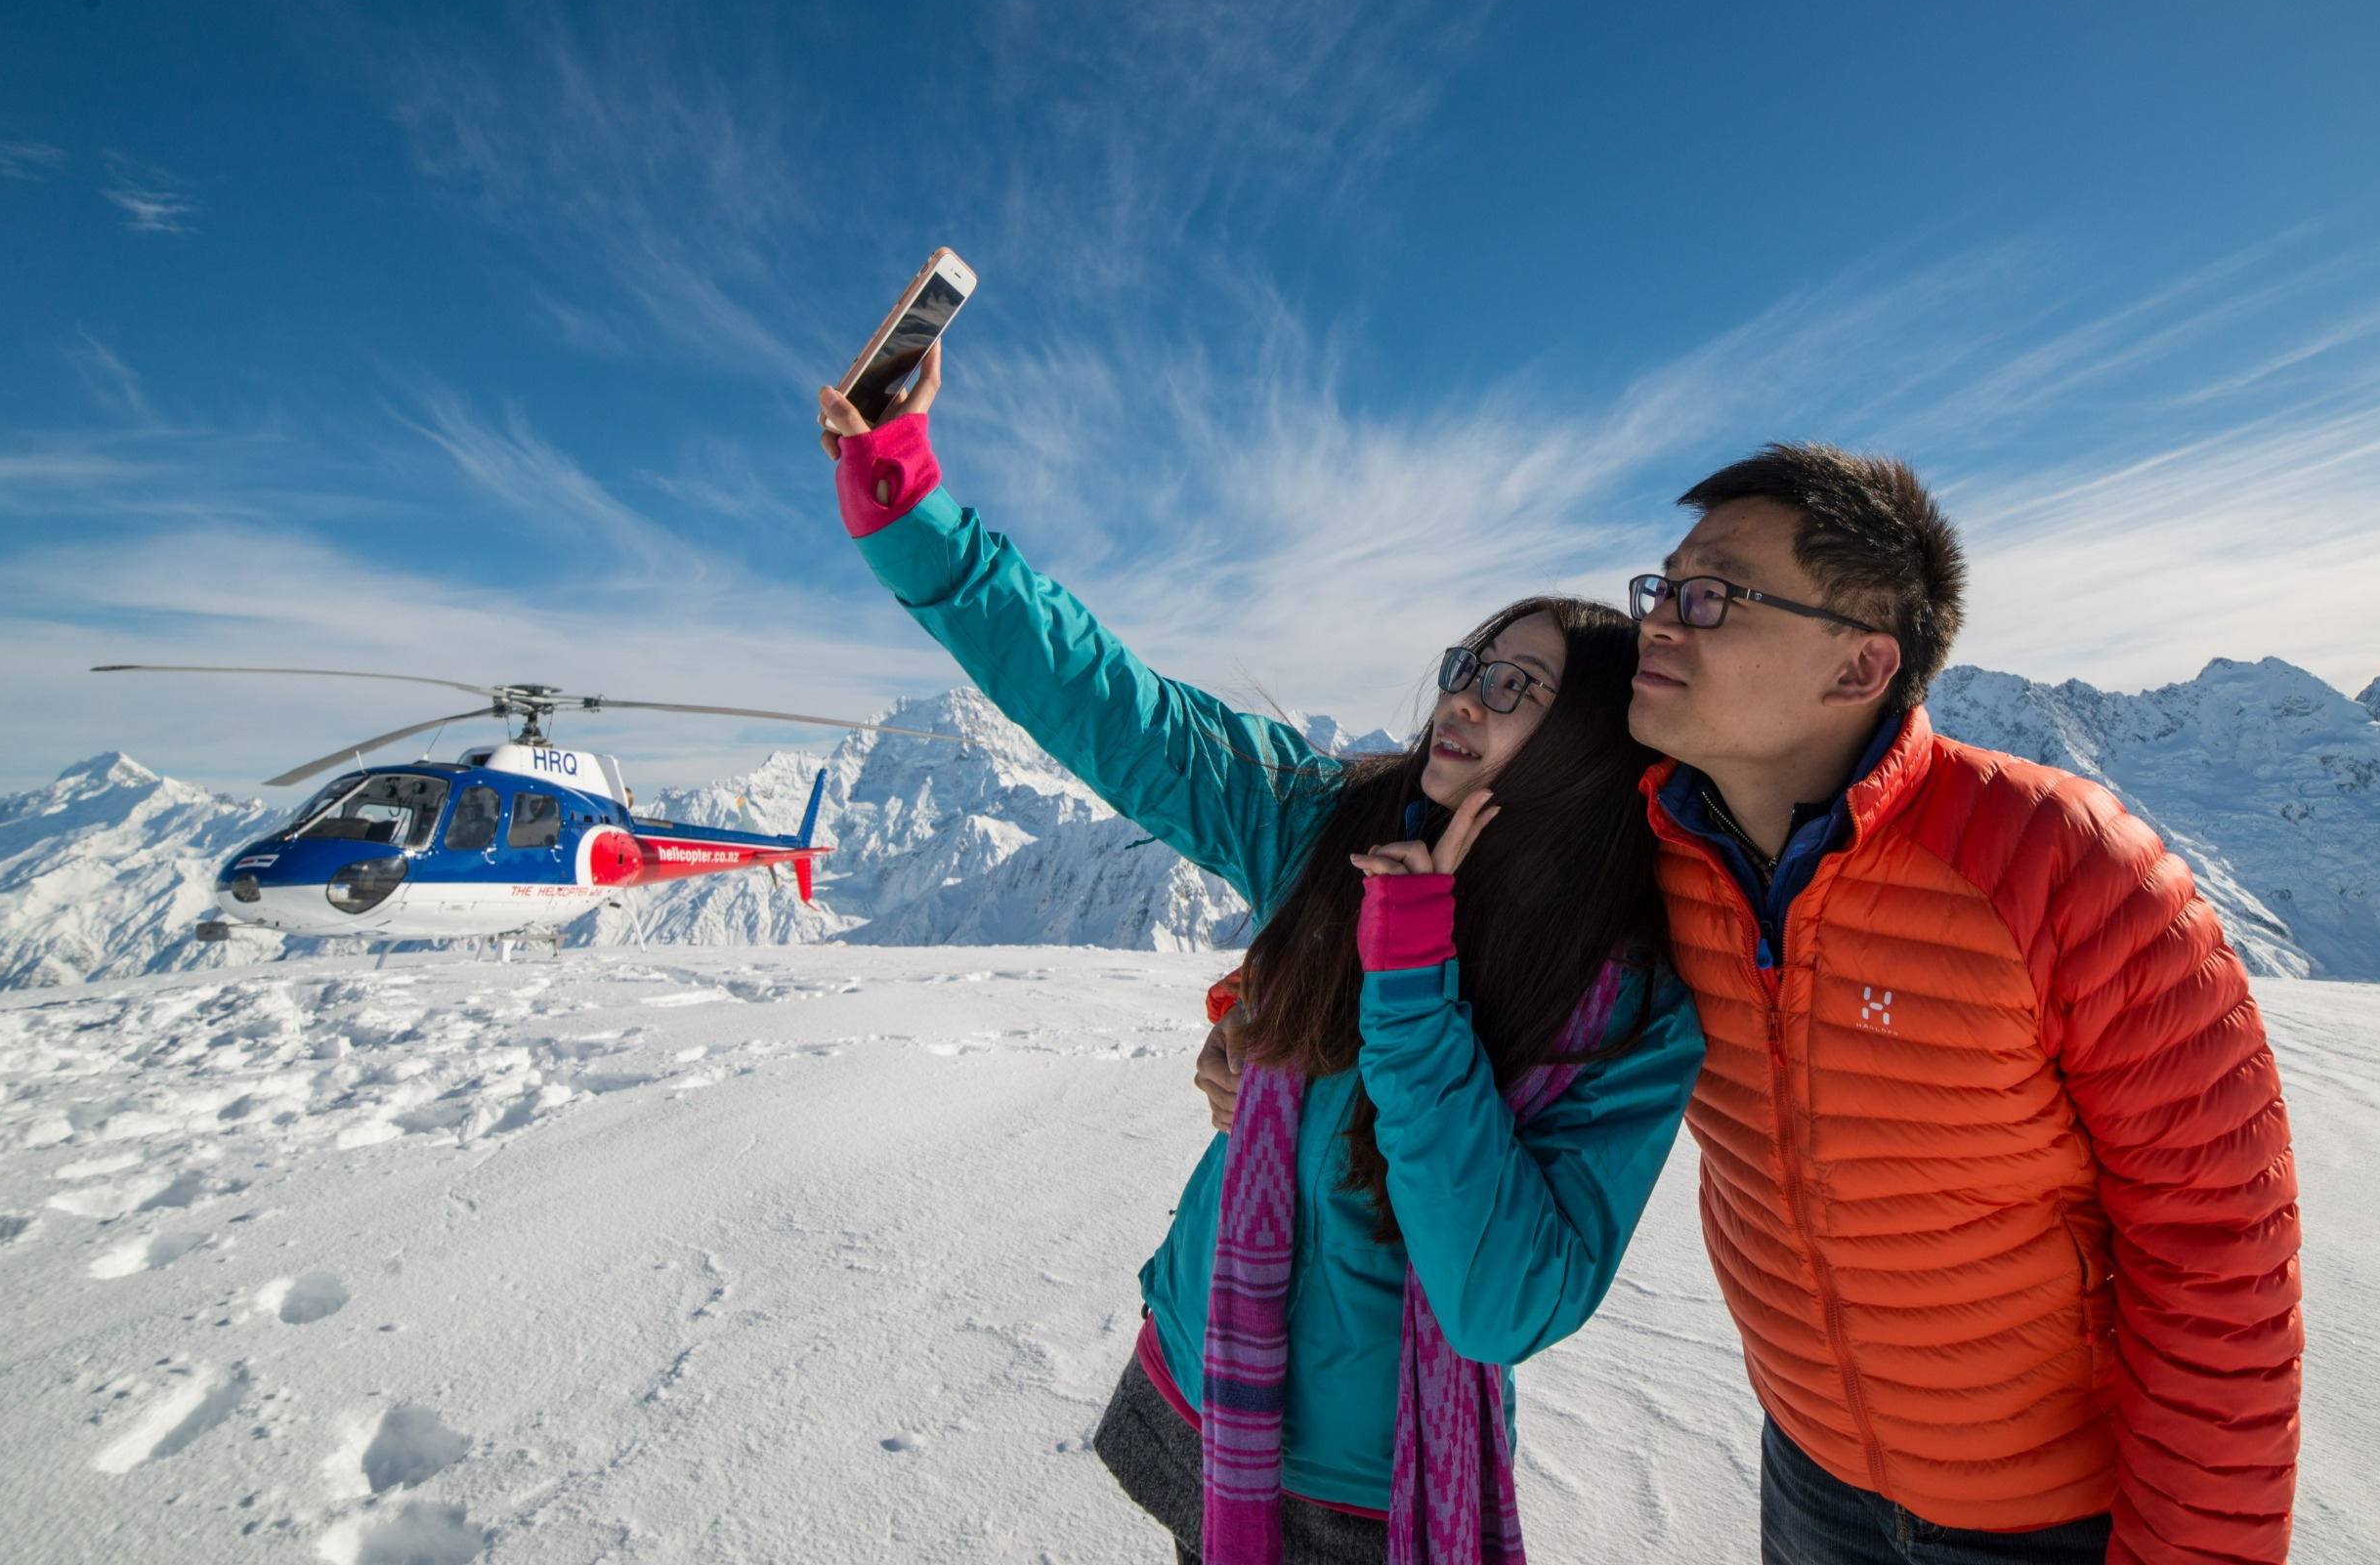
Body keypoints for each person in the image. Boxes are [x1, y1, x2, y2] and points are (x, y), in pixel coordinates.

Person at [816, 348, 1707, 1565]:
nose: (1463, 698)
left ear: (1588, 750)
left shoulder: (1633, 1009)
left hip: (1368, 1484)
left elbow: (1502, 1298)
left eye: (1514, 687)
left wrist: (1408, 984)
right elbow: (1114, 705)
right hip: (1206, 1376)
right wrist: (910, 506)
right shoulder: (1325, 826)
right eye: (1468, 666)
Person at [1614, 443, 2303, 1565]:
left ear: (1857, 668)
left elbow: (2221, 1249)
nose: (1660, 621)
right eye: (1661, 587)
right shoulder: (1652, 856)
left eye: (1712, 594)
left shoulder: (2065, 865)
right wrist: (1275, 1019)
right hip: (1811, 1472)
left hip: (2051, 1522)